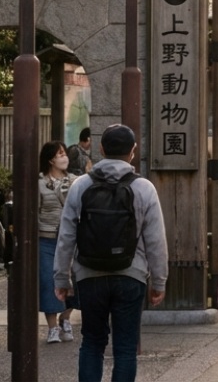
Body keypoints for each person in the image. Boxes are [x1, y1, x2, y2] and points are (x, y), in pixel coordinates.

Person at [54, 124, 169, 382]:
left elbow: (66, 236)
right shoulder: (144, 188)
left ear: (102, 149)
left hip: (89, 274)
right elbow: (156, 241)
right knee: (125, 347)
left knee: (92, 342)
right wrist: (158, 282)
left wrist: (62, 278)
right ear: (133, 152)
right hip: (131, 275)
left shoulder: (81, 185)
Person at [38, 141, 78, 344]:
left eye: (65, 154)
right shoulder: (40, 183)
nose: (64, 157)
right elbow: (34, 212)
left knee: (72, 281)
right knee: (48, 282)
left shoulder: (75, 181)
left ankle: (66, 318)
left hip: (70, 241)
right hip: (46, 239)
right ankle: (52, 327)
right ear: (50, 159)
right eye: (60, 154)